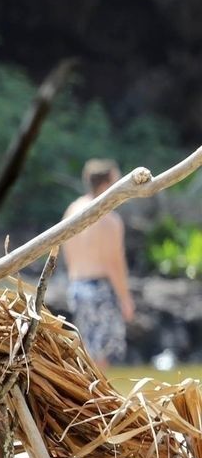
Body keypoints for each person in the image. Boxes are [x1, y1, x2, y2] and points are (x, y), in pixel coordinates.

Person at [63, 158, 135, 370]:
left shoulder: (73, 209)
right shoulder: (109, 219)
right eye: (117, 181)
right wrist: (125, 299)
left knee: (85, 350)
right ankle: (97, 392)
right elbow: (114, 263)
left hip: (77, 287)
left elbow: (65, 248)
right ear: (105, 185)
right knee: (101, 356)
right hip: (100, 290)